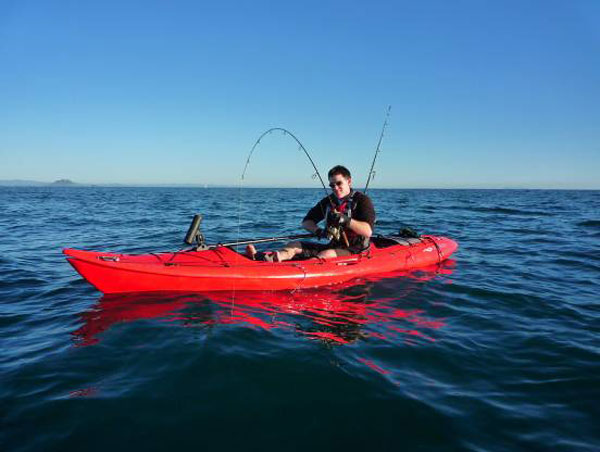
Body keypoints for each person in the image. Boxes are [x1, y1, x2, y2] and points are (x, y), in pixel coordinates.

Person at [246, 165, 376, 261]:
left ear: (349, 181)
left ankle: (297, 272)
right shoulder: (328, 201)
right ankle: (270, 258)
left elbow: (368, 231)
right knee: (293, 245)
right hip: (333, 245)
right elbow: (306, 222)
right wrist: (319, 232)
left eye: (338, 183)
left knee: (326, 255)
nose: (335, 188)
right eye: (332, 185)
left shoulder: (363, 200)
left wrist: (345, 220)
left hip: (355, 250)